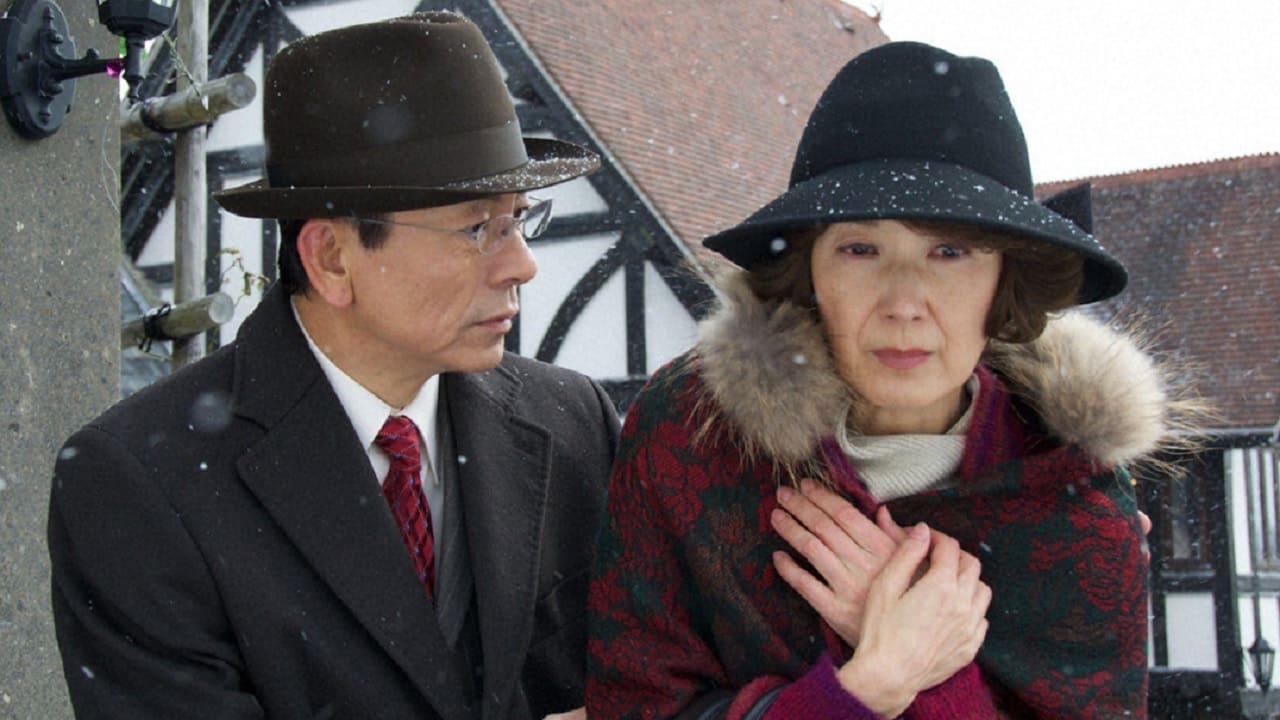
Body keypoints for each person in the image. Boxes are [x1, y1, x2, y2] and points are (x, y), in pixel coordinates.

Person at [49, 12, 618, 720]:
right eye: (478, 227)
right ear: (331, 258)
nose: (522, 265)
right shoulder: (139, 486)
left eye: (520, 218)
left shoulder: (571, 424)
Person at [586, 41, 1173, 719]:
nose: (903, 302)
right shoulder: (689, 438)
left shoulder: (1074, 494)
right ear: (810, 272)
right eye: (860, 249)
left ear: (1005, 280)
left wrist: (938, 683)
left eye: (950, 251)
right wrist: (869, 687)